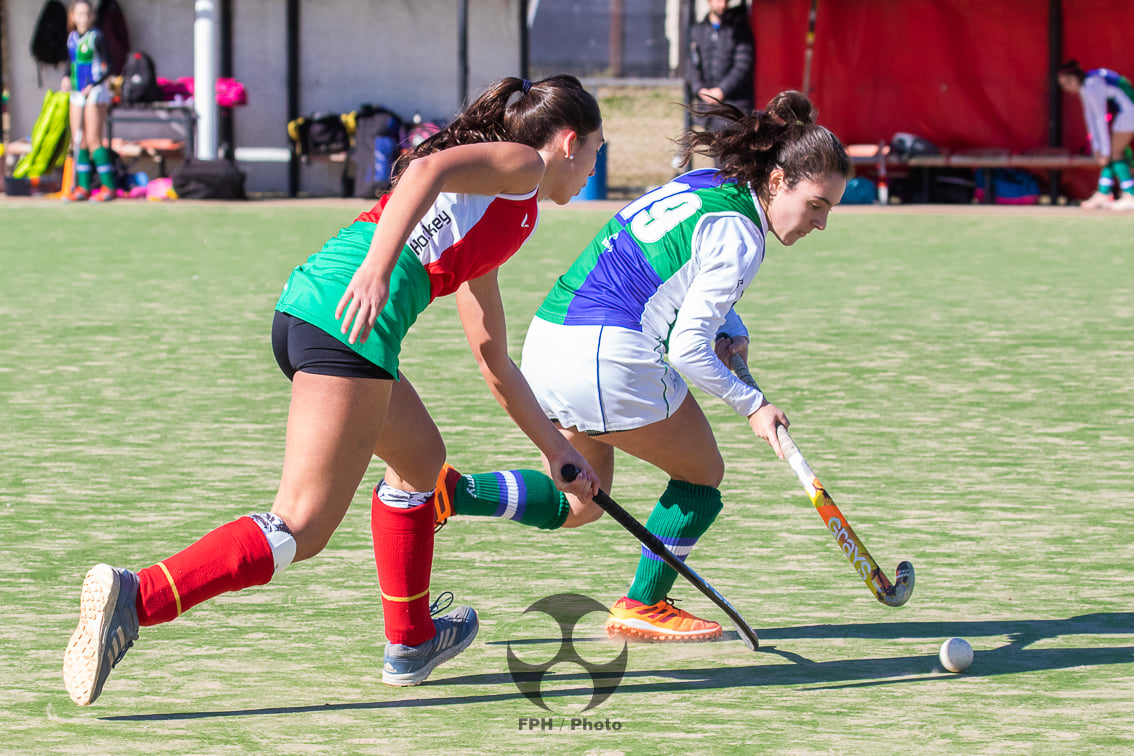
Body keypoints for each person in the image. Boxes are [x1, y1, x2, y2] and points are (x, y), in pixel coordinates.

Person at [62, 74, 603, 706]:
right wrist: (378, 270)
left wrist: (555, 452)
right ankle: (139, 596)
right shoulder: (525, 165)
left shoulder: (503, 210)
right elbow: (424, 167)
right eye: (596, 148)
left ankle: (412, 642)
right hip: (350, 323)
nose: (593, 163)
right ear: (569, 142)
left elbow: (493, 359)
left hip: (312, 311)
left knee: (421, 462)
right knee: (302, 525)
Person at [433, 90, 853, 643]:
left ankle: (449, 493)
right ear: (777, 181)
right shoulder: (743, 235)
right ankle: (643, 603)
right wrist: (752, 404)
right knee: (702, 476)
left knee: (580, 500)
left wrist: (734, 331)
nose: (820, 222)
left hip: (551, 341)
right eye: (817, 204)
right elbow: (687, 349)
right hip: (610, 357)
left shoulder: (706, 185)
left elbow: (677, 275)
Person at [1057, 60, 1134, 211]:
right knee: (1113, 153)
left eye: (1068, 82)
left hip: (1129, 113)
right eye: (1063, 85)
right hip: (1125, 115)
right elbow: (1090, 117)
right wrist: (1097, 147)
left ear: (1076, 76)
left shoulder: (1092, 84)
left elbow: (1100, 118)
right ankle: (1104, 194)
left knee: (1114, 153)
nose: (1066, 87)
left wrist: (1103, 151)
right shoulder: (1085, 87)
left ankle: (1130, 195)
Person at [61, 0, 117, 202]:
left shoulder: (97, 37)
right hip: (76, 93)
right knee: (79, 140)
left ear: (91, 17)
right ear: (73, 17)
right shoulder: (72, 38)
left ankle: (108, 187)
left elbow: (109, 66)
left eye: (87, 14)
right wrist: (66, 78)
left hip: (94, 92)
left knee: (94, 140)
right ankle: (83, 188)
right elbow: (71, 63)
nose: (84, 18)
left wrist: (93, 84)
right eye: (80, 14)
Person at [686, 0, 755, 136]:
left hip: (734, 105)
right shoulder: (698, 31)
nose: (722, 5)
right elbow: (691, 65)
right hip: (709, 106)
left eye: (726, 1)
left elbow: (743, 64)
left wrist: (721, 91)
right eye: (718, 0)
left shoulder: (739, 31)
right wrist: (700, 90)